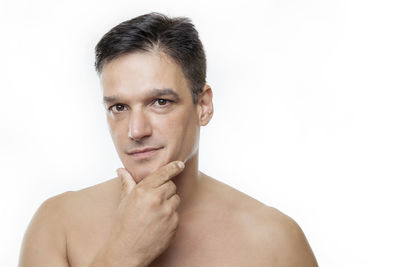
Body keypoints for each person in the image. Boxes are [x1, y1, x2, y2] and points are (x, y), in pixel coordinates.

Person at [19, 12, 318, 267]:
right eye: (119, 107)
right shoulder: (58, 224)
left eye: (159, 102)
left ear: (203, 106)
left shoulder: (274, 241)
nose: (136, 130)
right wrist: (123, 253)